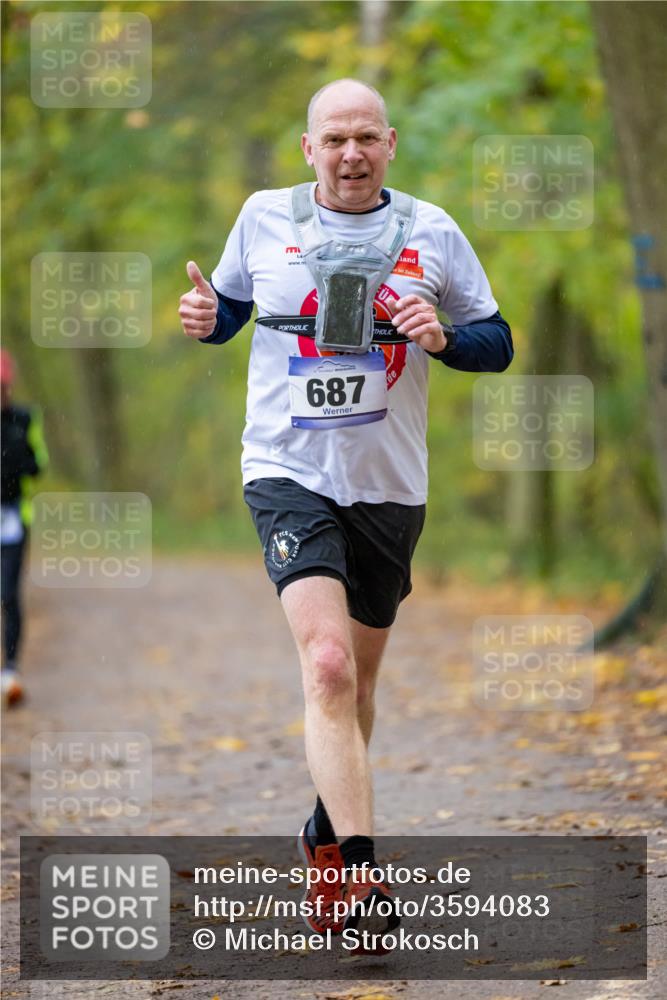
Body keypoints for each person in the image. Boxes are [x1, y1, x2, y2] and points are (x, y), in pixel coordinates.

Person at [179, 78, 513, 951]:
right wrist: (207, 317)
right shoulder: (262, 217)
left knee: (356, 687)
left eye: (366, 138)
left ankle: (322, 841)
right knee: (325, 666)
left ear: (390, 144)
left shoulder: (432, 230)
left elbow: (498, 341)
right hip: (287, 470)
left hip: (390, 486)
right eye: (334, 140)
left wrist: (439, 335)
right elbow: (229, 312)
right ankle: (361, 874)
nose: (351, 154)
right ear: (308, 148)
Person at [1, 350, 48, 707]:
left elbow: (39, 463)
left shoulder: (24, 419)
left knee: (8, 593)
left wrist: (20, 456)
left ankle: (11, 669)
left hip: (14, 517)